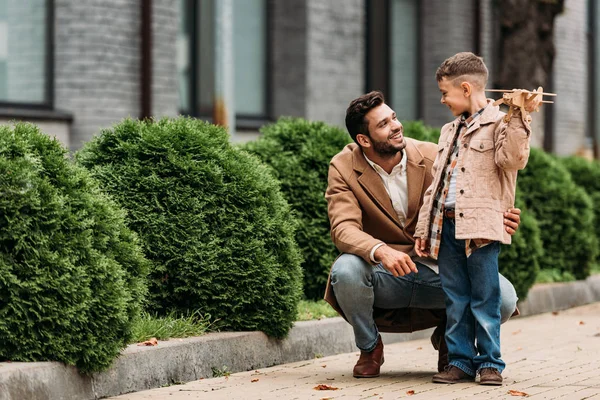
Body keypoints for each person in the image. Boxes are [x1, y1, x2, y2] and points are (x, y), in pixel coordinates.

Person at [323, 89, 522, 379]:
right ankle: (369, 347)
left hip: (439, 268)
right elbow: (343, 229)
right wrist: (380, 250)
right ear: (363, 140)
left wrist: (501, 214)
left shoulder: (433, 155)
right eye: (384, 124)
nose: (396, 126)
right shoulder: (343, 167)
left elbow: (478, 191)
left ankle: (452, 342)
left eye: (394, 117)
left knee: (504, 298)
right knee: (346, 270)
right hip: (384, 272)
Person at [413, 52, 540, 385]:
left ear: (466, 88)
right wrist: (424, 226)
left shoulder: (501, 122)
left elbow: (513, 160)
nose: (442, 100)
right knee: (455, 298)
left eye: (445, 93)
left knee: (486, 296)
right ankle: (460, 361)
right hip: (447, 224)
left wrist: (519, 115)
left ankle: (489, 363)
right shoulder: (447, 131)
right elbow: (436, 185)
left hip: (481, 227)